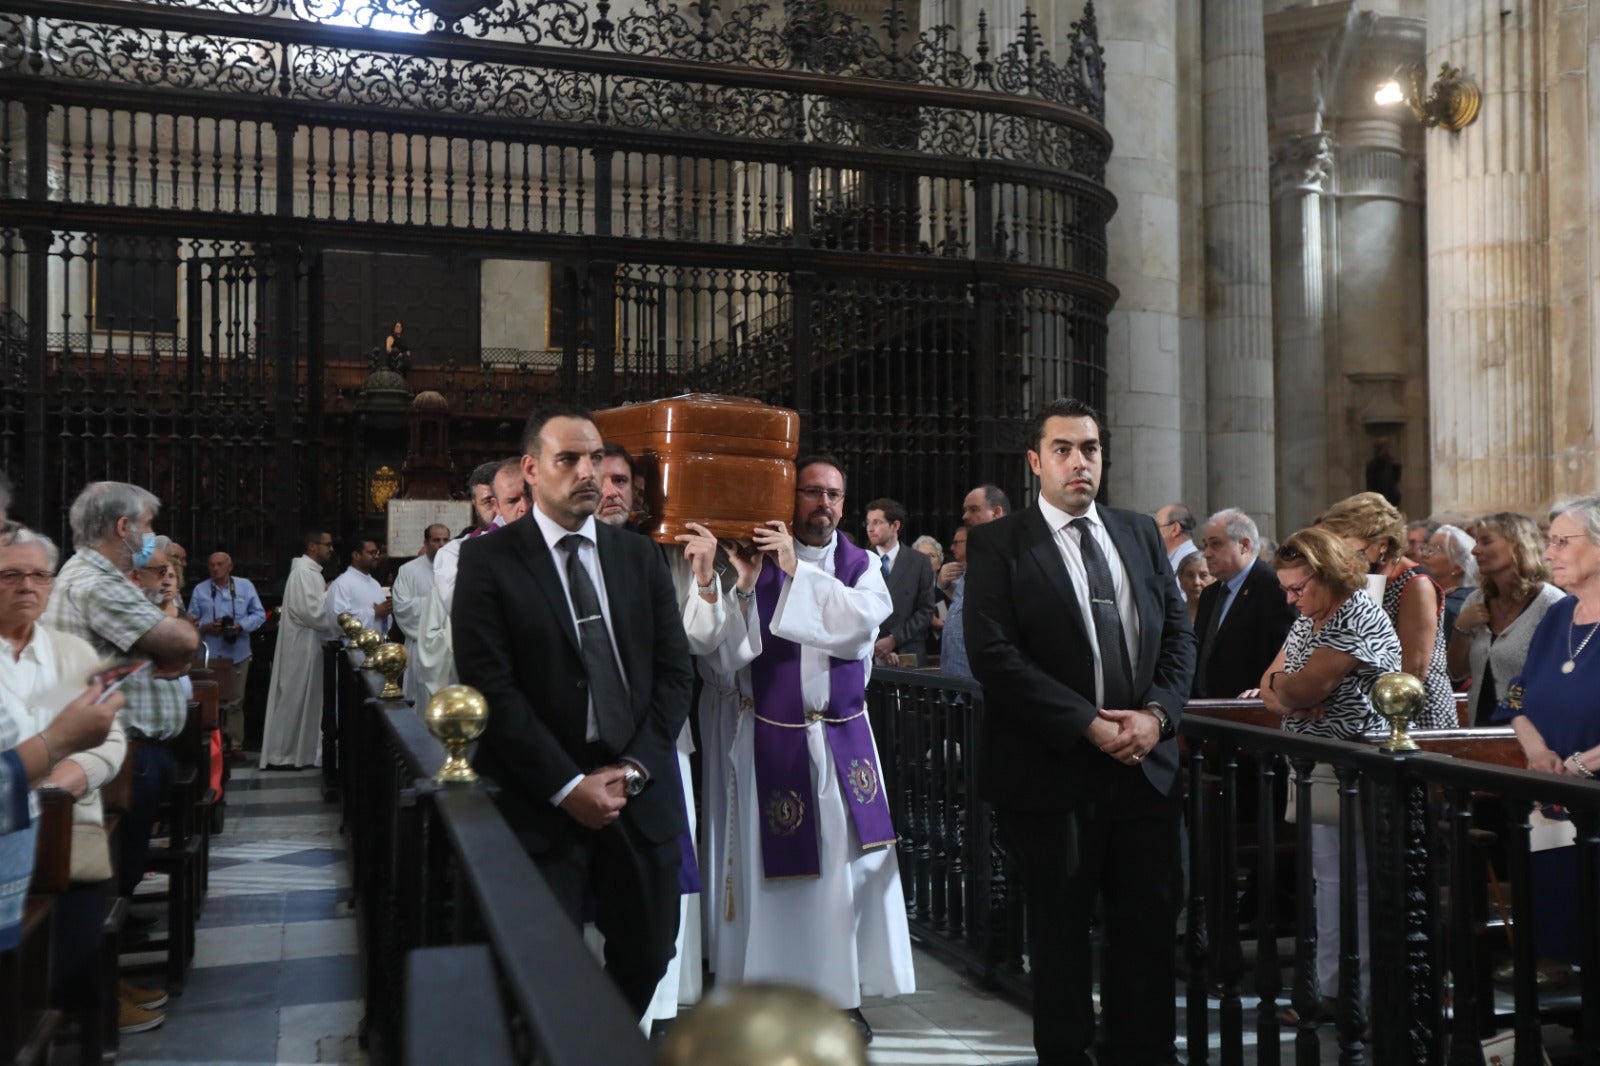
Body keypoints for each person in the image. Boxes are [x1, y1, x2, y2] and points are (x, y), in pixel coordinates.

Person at [964, 398, 1194, 1066]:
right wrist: (1088, 725)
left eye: (1089, 448)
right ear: (1036, 461)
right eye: (1063, 449)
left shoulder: (1139, 534)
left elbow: (1178, 637)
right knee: (1061, 938)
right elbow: (994, 654)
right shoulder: (1000, 543)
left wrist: (1156, 718)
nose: (1079, 462)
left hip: (1144, 768)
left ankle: (1142, 1055)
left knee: (1147, 933)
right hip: (1051, 769)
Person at [453, 405, 693, 1018]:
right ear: (532, 469)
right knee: (542, 964)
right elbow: (492, 688)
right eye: (569, 459)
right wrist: (567, 786)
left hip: (635, 792)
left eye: (595, 459)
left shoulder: (637, 557)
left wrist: (635, 767)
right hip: (542, 797)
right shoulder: (488, 561)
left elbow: (674, 674)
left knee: (648, 955)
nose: (589, 472)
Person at [680, 455, 914, 1042]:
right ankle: (769, 988)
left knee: (849, 876)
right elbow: (724, 656)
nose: (824, 505)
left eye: (834, 494)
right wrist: (745, 584)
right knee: (783, 879)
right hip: (774, 739)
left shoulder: (861, 565)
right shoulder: (753, 566)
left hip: (842, 738)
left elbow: (861, 625)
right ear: (791, 499)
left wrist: (794, 571)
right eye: (812, 493)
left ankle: (843, 996)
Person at [0, 526, 154, 1031]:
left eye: (38, 575)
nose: (27, 586)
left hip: (66, 816)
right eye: (11, 575)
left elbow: (111, 739)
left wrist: (67, 776)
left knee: (76, 889)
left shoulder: (72, 653)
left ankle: (84, 1006)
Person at [1258, 526, 1402, 1027]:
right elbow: (1273, 684)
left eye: (1299, 588)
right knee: (1326, 882)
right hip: (1317, 764)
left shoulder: (1355, 613)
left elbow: (1300, 690)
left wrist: (1297, 691)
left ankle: (1359, 997)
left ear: (1329, 574)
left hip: (1358, 766)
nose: (1292, 599)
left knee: (1357, 884)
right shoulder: (1310, 618)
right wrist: (1290, 689)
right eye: (1286, 590)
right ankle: (1327, 990)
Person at [42, 482, 199, 934]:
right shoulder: (96, 584)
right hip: (125, 750)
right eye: (148, 525)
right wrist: (178, 646)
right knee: (115, 868)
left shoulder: (100, 579)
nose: (153, 535)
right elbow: (180, 639)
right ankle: (112, 970)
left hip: (134, 750)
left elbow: (175, 647)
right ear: (124, 527)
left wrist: (176, 650)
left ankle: (120, 933)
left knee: (126, 862)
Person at [1491, 497, 1600, 968]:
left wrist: (1579, 766)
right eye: (1548, 540)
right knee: (1559, 916)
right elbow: (1517, 696)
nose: (1549, 552)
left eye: (1561, 541)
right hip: (1550, 793)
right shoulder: (1559, 616)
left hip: (1589, 791)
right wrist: (1537, 752)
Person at [1318, 492, 1456, 728]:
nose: (1340, 553)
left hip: (1412, 710)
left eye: (1347, 542)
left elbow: (1414, 669)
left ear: (1381, 544)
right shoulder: (1356, 579)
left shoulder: (1415, 582)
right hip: (1364, 707)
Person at [1448, 513, 1564, 724]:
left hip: (1534, 733)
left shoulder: (1552, 604)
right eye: (1476, 542)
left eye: (1486, 541)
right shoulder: (1476, 599)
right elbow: (1457, 673)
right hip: (1482, 728)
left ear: (1518, 545)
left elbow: (1559, 681)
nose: (1475, 550)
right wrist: (1461, 628)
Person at [1192, 508, 1298, 699]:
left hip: (1249, 708)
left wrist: (1264, 689)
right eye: (1205, 545)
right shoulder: (1210, 593)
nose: (1207, 553)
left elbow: (1286, 650)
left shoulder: (1275, 587)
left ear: (1244, 545)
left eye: (1216, 544)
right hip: (1204, 709)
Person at [259, 529, 336, 769]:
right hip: (301, 645)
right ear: (312, 546)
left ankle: (300, 752)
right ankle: (282, 754)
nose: (331, 549)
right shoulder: (304, 573)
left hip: (308, 643)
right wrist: (332, 597)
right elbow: (310, 612)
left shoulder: (310, 573)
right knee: (294, 697)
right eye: (327, 544)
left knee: (304, 697)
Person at [187, 551, 267, 757]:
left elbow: (259, 614)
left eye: (220, 564)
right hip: (209, 653)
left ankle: (235, 745)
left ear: (230, 566)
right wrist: (205, 627)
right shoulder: (200, 589)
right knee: (211, 699)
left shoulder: (245, 586)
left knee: (235, 701)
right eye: (212, 565)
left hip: (237, 653)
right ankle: (213, 745)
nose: (216, 568)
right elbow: (189, 622)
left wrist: (241, 626)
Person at [941, 486, 1008, 680]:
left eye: (974, 509)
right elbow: (966, 602)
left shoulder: (1011, 555)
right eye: (965, 509)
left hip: (982, 675)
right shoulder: (977, 553)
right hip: (954, 668)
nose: (965, 516)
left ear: (996, 512)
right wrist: (945, 586)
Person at [864, 497, 934, 665]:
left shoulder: (920, 562)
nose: (870, 529)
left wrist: (894, 639)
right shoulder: (861, 560)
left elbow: (926, 610)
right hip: (869, 652)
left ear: (895, 526)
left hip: (908, 651)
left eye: (877, 522)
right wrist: (876, 643)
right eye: (868, 523)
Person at [390, 524, 450, 709]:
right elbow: (401, 608)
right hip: (420, 647)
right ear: (426, 542)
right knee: (422, 705)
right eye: (436, 540)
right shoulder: (408, 570)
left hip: (448, 648)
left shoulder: (456, 569)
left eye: (445, 540)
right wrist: (436, 603)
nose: (441, 544)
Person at [326, 535, 391, 661]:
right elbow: (337, 621)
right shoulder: (342, 583)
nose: (376, 556)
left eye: (376, 552)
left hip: (377, 651)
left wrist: (385, 614)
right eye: (371, 553)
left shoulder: (375, 583)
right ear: (356, 555)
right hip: (353, 653)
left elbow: (383, 621)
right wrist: (374, 613)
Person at [1423, 523, 1477, 643]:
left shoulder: (1452, 608)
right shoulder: (1437, 599)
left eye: (1436, 550)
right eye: (1426, 548)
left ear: (1457, 567)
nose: (1425, 555)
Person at [1176, 553, 1213, 624]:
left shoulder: (1223, 613)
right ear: (1180, 580)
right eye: (1190, 575)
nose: (1196, 582)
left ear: (1214, 579)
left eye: (1204, 575)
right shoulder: (1172, 614)